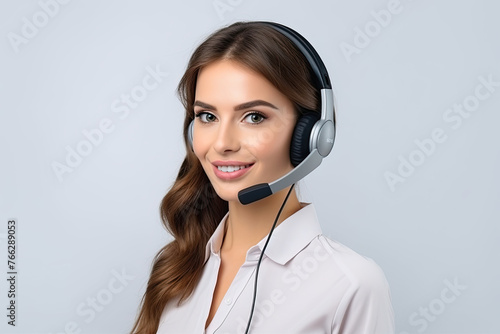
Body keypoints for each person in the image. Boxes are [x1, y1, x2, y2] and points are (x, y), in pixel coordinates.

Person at [130, 21, 395, 334]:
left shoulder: (351, 285)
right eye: (208, 117)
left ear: (310, 135)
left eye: (254, 117)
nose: (222, 143)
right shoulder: (177, 266)